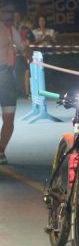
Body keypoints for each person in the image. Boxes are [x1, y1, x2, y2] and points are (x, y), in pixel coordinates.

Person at [0, 12, 31, 164]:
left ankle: (0, 150)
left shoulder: (10, 29)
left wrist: (29, 53)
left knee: (9, 118)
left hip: (6, 78)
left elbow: (24, 49)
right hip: (6, 77)